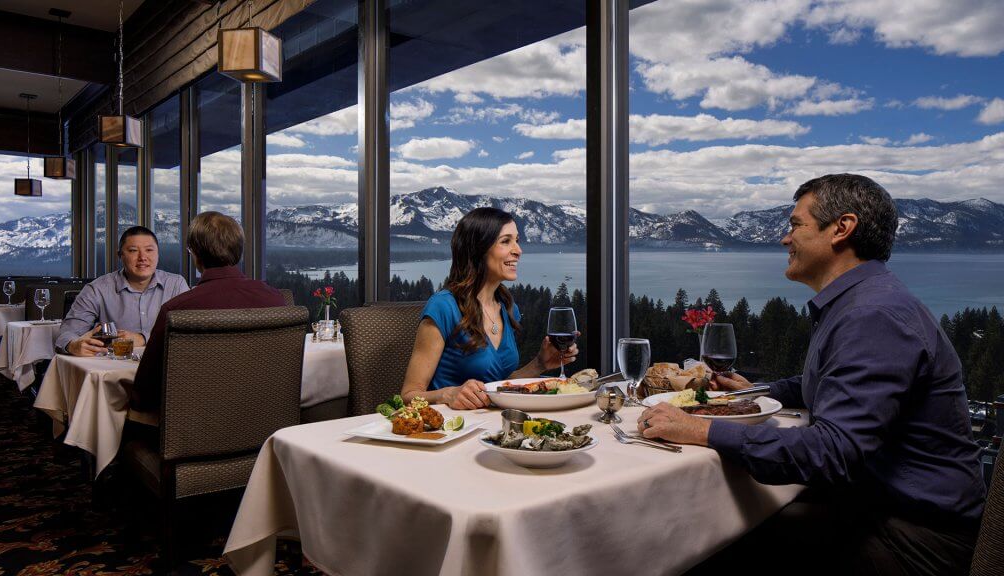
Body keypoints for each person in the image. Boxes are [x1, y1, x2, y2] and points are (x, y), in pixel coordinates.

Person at [639, 174, 985, 575]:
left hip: (915, 541)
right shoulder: (866, 301)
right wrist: (760, 390)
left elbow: (833, 452)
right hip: (878, 510)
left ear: (842, 228)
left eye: (795, 225)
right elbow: (831, 386)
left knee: (702, 551)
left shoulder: (873, 315)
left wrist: (699, 430)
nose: (786, 239)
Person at [400, 207, 578, 410]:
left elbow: (497, 386)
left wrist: (540, 363)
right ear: (478, 249)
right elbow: (408, 396)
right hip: (451, 430)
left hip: (492, 426)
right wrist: (448, 394)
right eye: (505, 241)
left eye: (517, 240)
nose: (518, 251)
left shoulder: (508, 308)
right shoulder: (443, 307)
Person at [128, 212, 285, 412]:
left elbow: (145, 394)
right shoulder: (275, 299)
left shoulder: (177, 310)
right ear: (239, 251)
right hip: (265, 421)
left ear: (195, 254)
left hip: (192, 431)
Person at [56, 226, 189, 356]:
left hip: (166, 367)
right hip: (112, 369)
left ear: (158, 254)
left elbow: (189, 330)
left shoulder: (176, 285)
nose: (143, 257)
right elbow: (66, 333)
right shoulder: (97, 289)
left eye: (149, 250)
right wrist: (72, 345)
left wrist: (143, 338)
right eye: (133, 250)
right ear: (120, 255)